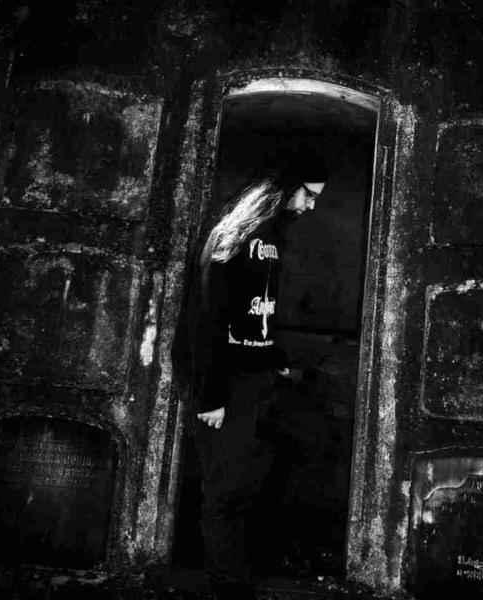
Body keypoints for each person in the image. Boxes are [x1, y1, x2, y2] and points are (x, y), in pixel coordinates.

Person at [171, 153, 328, 600]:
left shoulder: (273, 236)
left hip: (256, 376)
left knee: (310, 440)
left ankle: (265, 557)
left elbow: (254, 313)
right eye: (309, 195)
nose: (311, 206)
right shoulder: (233, 236)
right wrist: (209, 397)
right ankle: (229, 587)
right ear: (286, 184)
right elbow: (206, 320)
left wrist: (273, 354)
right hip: (222, 381)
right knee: (226, 492)